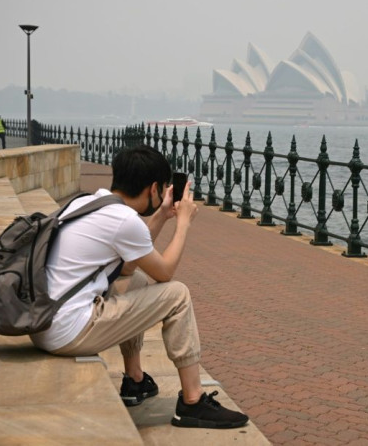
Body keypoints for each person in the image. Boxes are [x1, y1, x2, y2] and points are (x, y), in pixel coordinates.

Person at [30, 144, 249, 429]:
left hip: (44, 324)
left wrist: (161, 215)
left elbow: (128, 267)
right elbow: (166, 273)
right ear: (154, 188)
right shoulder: (124, 220)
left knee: (134, 281)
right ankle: (193, 402)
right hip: (67, 331)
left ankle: (135, 380)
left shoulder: (88, 202)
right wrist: (183, 224)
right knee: (178, 295)